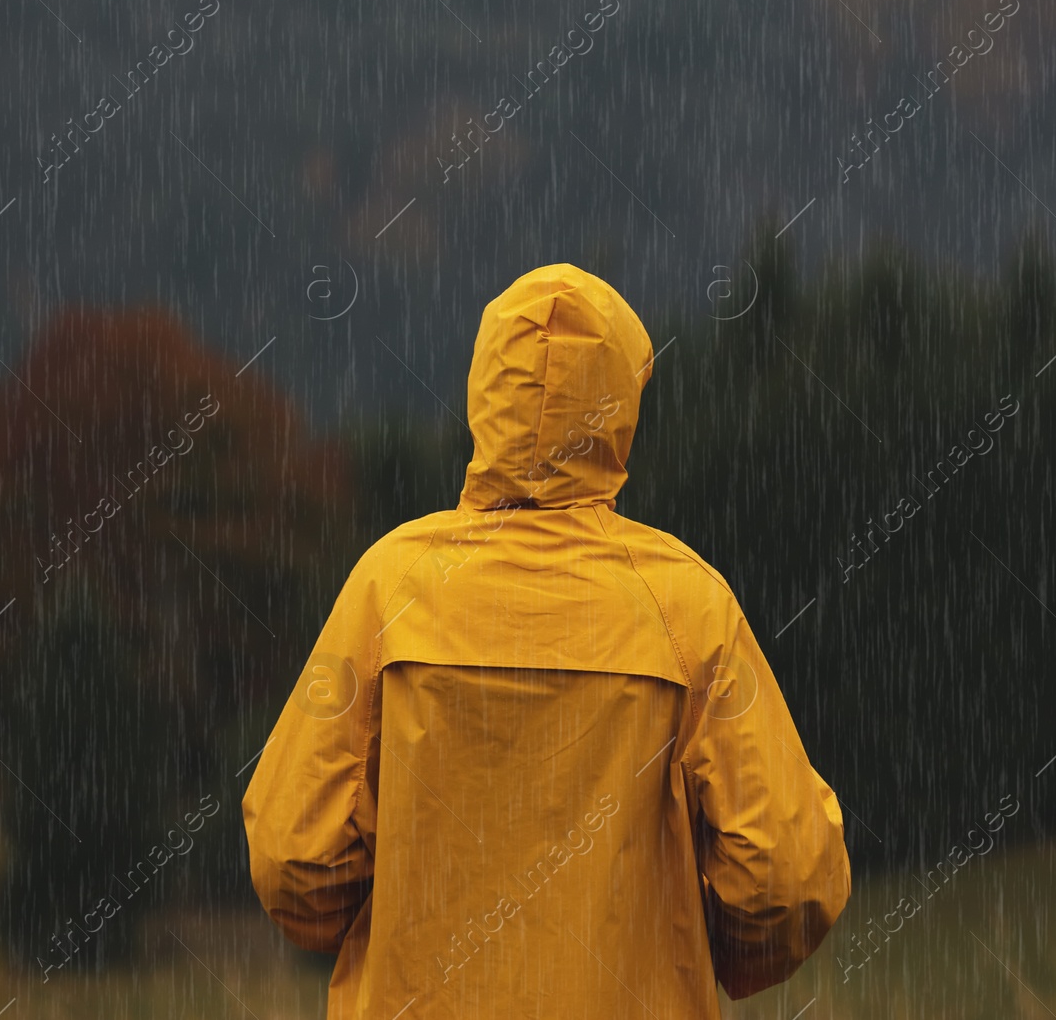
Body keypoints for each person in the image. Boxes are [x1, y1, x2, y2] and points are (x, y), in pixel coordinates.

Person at [243, 263, 849, 1018]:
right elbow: (782, 881)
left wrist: (377, 920)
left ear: (483, 391)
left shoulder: (387, 590)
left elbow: (293, 857)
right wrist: (701, 951)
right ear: (622, 402)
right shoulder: (685, 604)